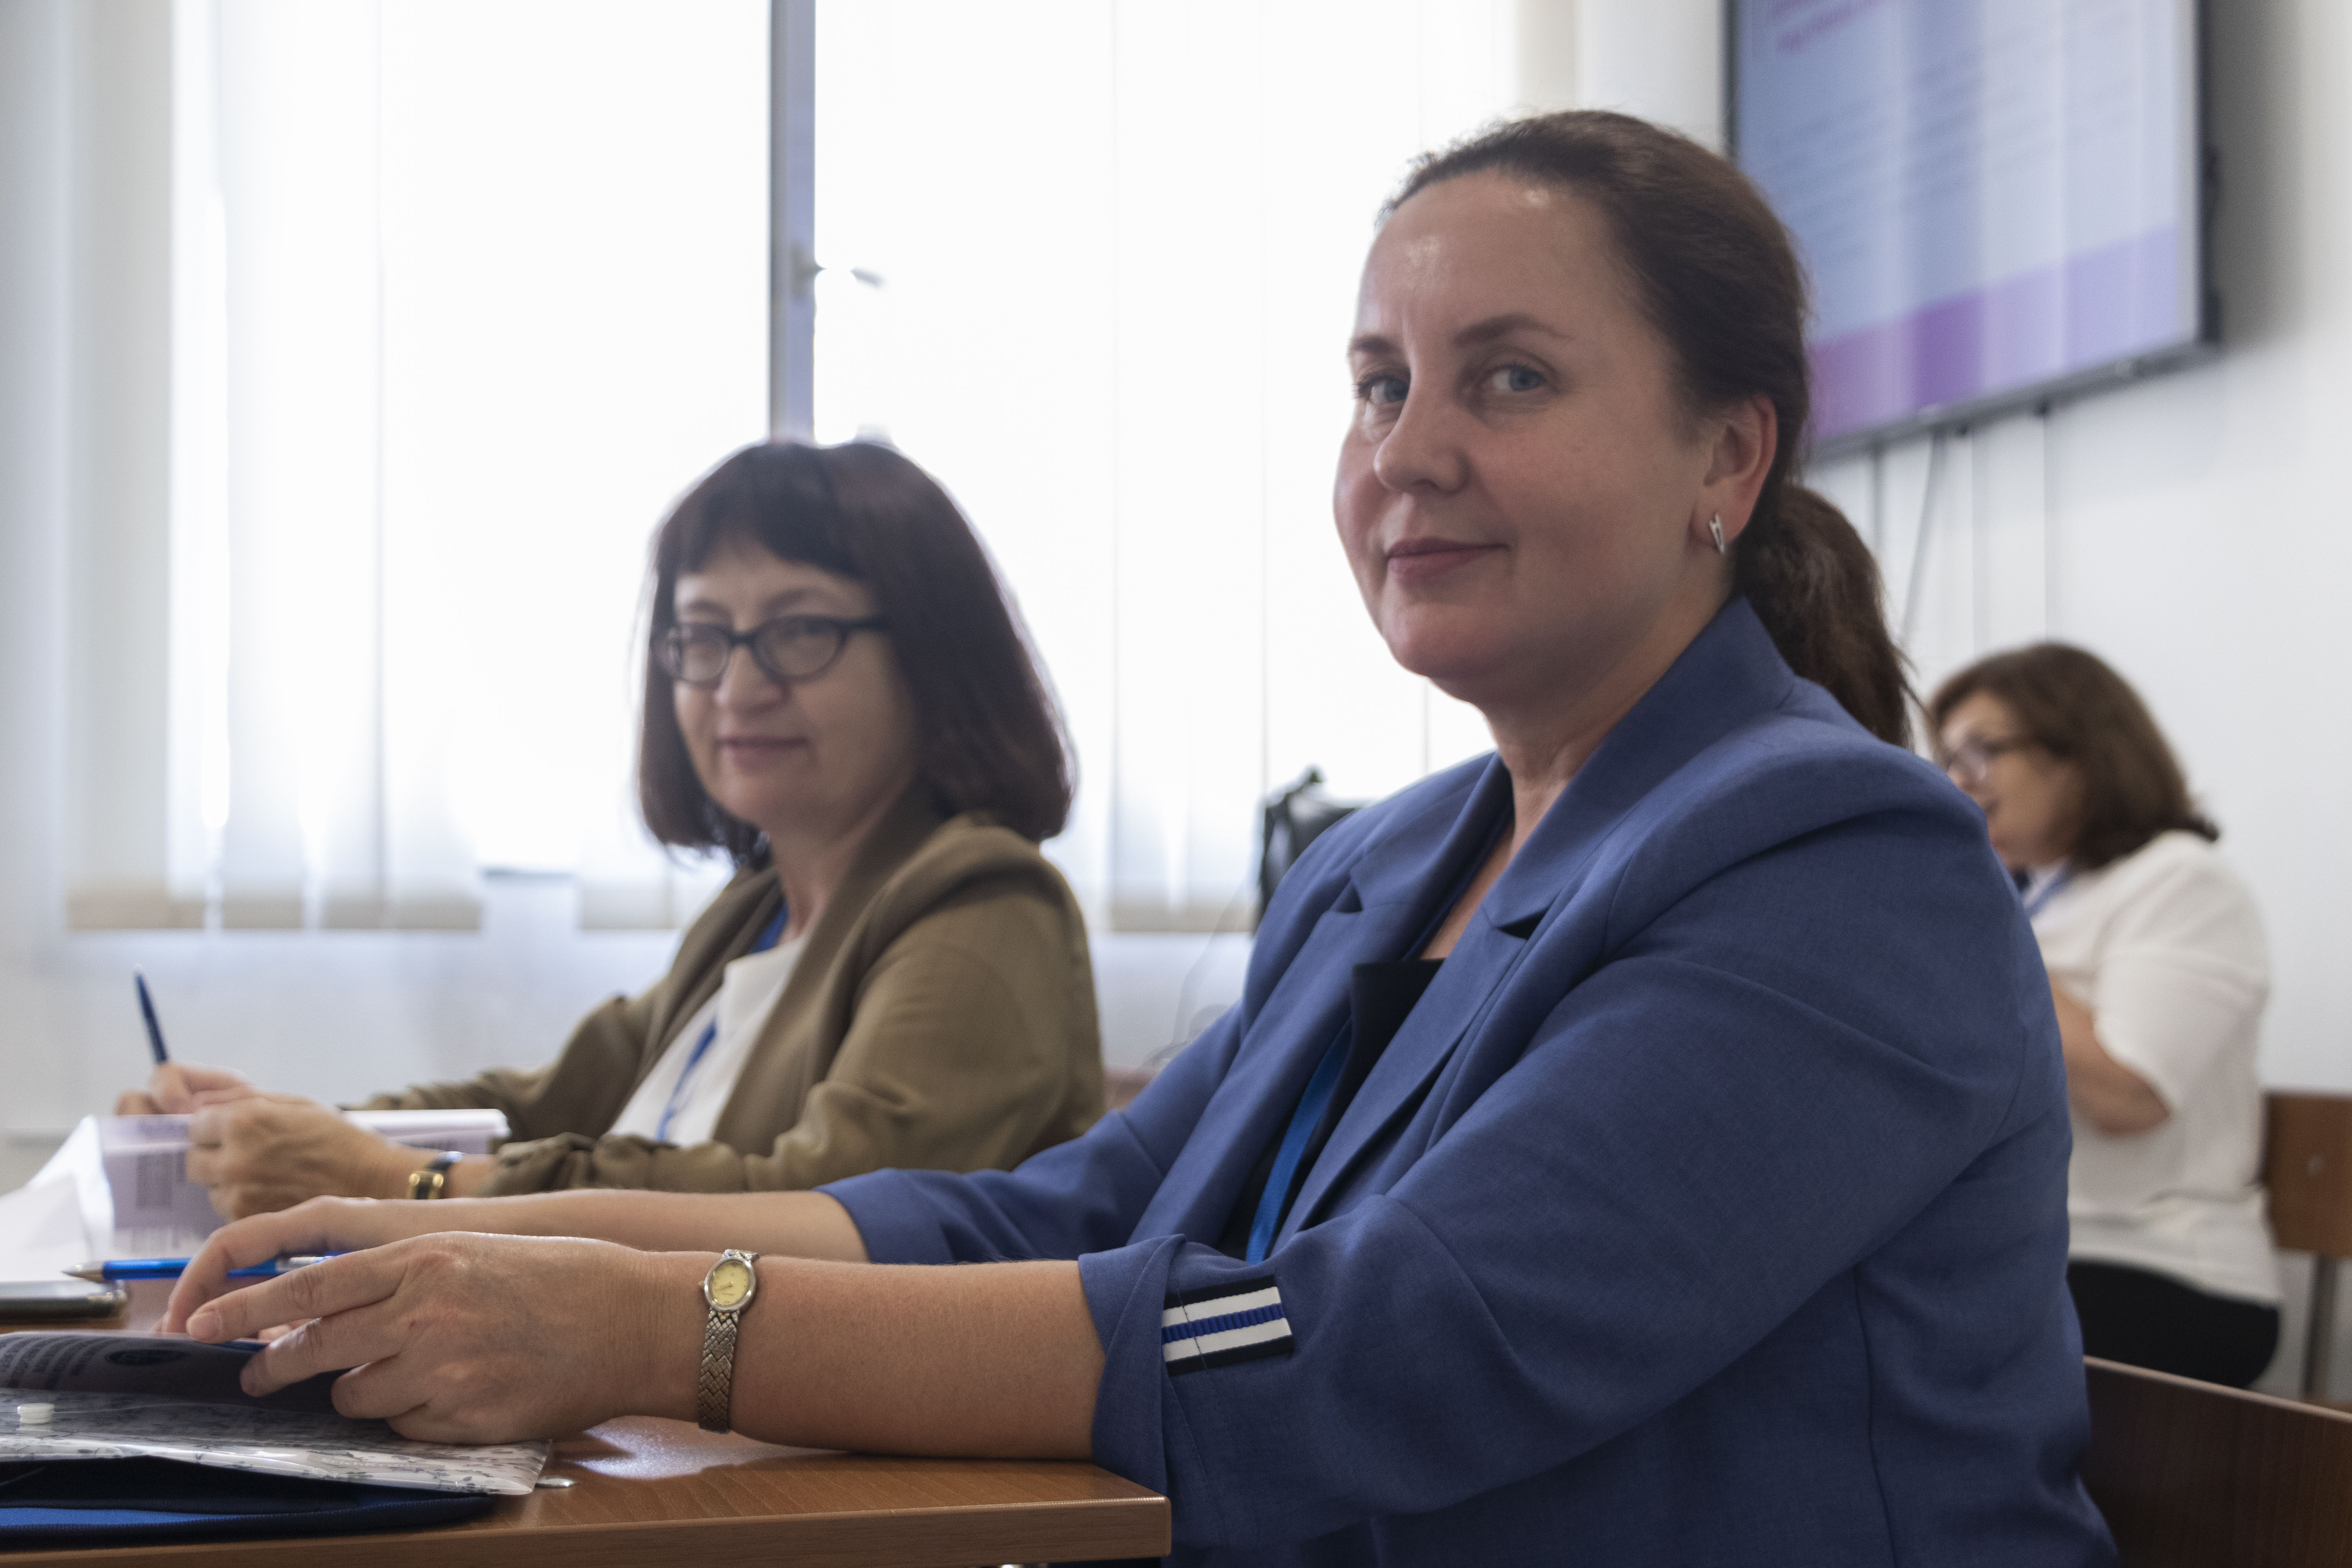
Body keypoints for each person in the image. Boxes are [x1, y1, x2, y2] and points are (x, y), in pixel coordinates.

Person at [169, 112, 2112, 1564]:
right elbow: (1061, 1215)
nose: (1405, 450)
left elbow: (1378, 1345)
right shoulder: (1383, 863)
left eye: (1507, 378)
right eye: (1377, 386)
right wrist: (480, 1237)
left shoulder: (1839, 861)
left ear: (1726, 455)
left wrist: (652, 1323)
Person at [120, 441, 1103, 1214]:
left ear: (931, 656)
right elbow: (535, 1107)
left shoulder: (985, 906)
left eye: (801, 630)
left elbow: (820, 1209)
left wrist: (395, 1181)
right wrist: (272, 1131)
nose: (738, 686)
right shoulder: (756, 913)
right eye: (704, 635)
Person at [1932, 643, 2278, 1388]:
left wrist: (1993, 937)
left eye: (1982, 751)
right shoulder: (2032, 900)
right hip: (2037, 1253)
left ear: (2080, 753)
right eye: (1948, 758)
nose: (1958, 780)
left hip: (2161, 1264)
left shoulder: (2180, 881)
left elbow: (2130, 1097)